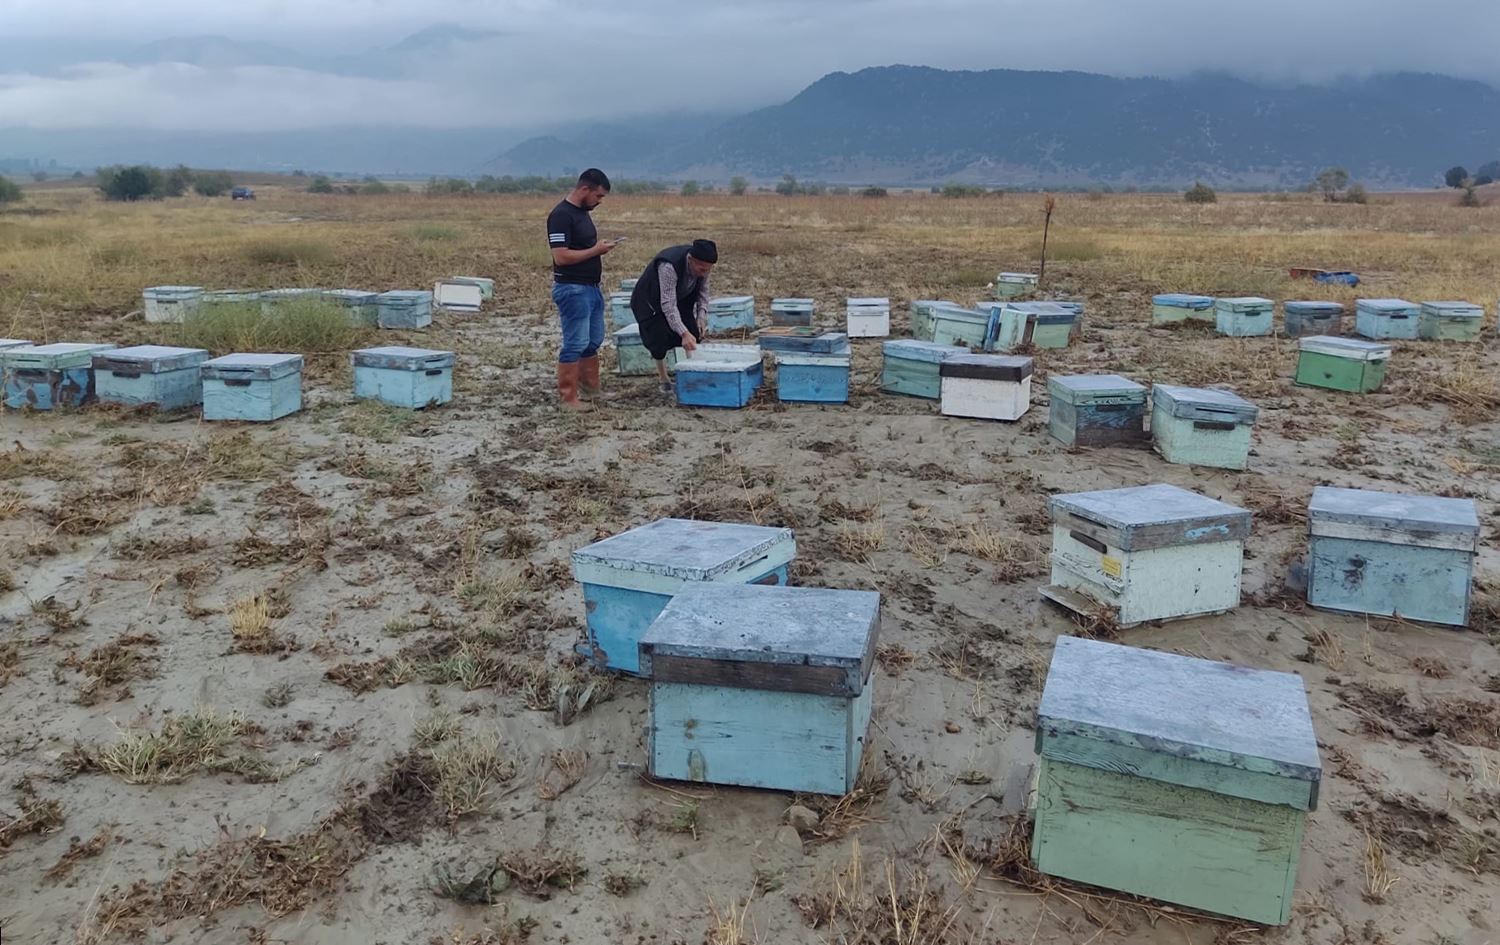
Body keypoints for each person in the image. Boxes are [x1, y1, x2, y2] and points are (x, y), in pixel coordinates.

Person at [547, 168, 619, 409]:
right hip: (572, 288)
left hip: (591, 288)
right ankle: (568, 398)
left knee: (593, 341)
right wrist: (596, 251)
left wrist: (599, 248)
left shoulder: (582, 214)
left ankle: (590, 391)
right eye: (598, 196)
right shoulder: (561, 216)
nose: (599, 202)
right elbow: (561, 257)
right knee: (575, 343)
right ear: (584, 189)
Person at [629, 239, 718, 393]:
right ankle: (663, 378)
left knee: (693, 333)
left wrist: (701, 317)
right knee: (658, 338)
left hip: (680, 298)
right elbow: (668, 305)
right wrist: (683, 333)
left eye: (707, 270)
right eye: (701, 269)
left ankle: (691, 372)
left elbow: (703, 293)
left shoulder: (704, 267)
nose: (704, 273)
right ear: (690, 260)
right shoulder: (669, 266)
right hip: (650, 301)